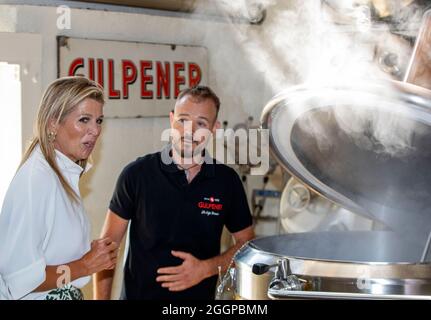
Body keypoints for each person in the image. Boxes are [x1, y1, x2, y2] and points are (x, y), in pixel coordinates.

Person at [94, 85, 254, 300]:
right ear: (171, 120)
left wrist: (206, 268)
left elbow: (247, 244)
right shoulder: (137, 175)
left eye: (201, 123)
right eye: (183, 120)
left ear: (214, 129)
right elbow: (106, 249)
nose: (190, 131)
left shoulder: (227, 182)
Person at [0, 76, 119, 300]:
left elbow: (51, 258)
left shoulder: (60, 171)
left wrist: (88, 254)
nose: (95, 130)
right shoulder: (37, 179)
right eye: (84, 120)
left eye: (99, 121)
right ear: (53, 123)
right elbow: (20, 281)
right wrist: (86, 265)